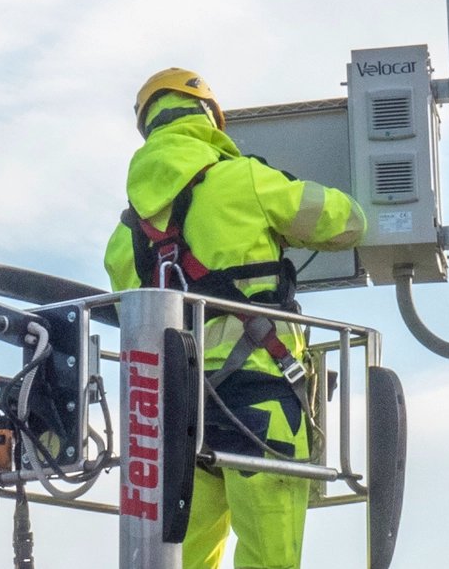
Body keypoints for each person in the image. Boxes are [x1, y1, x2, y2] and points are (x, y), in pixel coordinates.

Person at [104, 68, 366, 569]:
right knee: (271, 557)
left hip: (172, 412)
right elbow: (348, 222)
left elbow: (130, 318)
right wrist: (277, 199)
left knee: (183, 557)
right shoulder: (244, 178)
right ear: (209, 118)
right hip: (259, 398)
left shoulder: (123, 236)